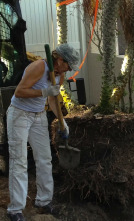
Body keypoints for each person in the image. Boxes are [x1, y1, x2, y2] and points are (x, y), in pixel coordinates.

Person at [6, 43, 79, 221]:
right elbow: (20, 91)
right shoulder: (39, 66)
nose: (68, 70)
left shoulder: (59, 75)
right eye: (68, 65)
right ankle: (15, 209)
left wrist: (62, 122)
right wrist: (44, 91)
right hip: (20, 115)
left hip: (38, 116)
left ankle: (44, 201)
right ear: (60, 59)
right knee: (19, 161)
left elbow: (53, 99)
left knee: (45, 159)